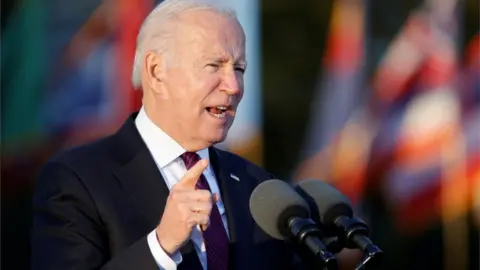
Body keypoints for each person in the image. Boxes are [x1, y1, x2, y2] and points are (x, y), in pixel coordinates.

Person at [30, 0, 303, 269]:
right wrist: (160, 246)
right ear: (156, 71)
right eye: (213, 66)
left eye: (239, 68)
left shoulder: (259, 189)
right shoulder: (75, 180)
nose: (233, 86)